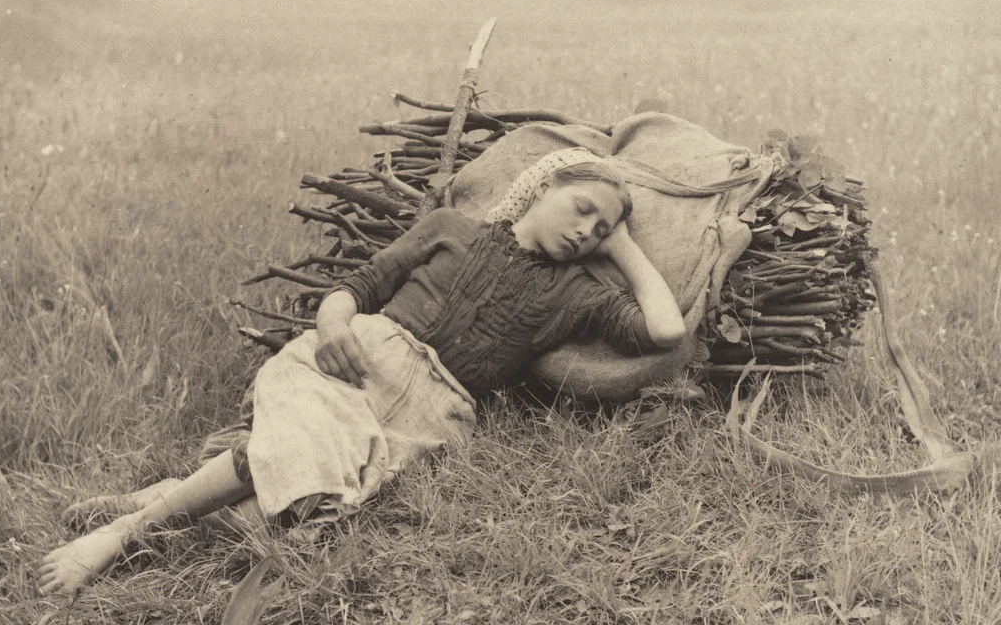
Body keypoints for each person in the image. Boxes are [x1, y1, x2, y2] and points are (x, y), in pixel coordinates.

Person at [37, 157, 685, 596]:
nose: (586, 231)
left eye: (598, 230)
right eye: (581, 209)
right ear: (542, 188)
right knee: (298, 448)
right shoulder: (451, 231)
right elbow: (359, 286)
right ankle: (121, 536)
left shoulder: (577, 295)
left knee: (303, 515)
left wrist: (620, 241)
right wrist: (333, 323)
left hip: (431, 414)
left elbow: (665, 332)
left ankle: (168, 496)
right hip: (358, 359)